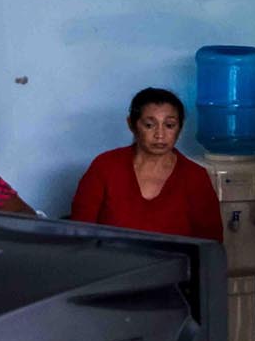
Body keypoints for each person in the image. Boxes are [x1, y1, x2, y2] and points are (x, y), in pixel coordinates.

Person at [70, 88, 224, 242]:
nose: (160, 135)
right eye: (150, 125)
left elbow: (210, 246)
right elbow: (80, 233)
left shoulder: (195, 177)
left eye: (169, 125)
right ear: (132, 125)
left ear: (180, 128)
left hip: (175, 265)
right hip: (110, 264)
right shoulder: (105, 167)